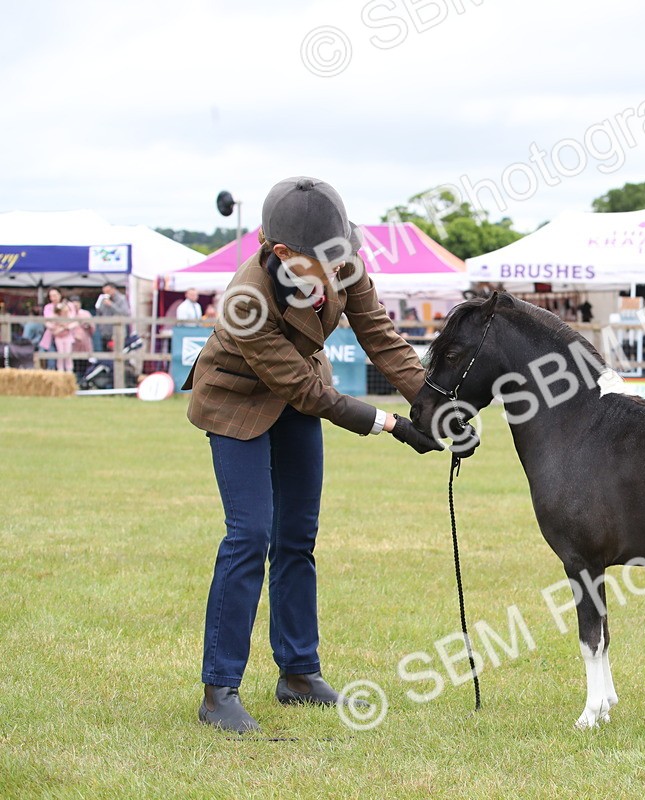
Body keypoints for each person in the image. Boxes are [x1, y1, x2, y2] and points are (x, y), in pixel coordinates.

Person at [184, 176, 474, 733]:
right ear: (283, 253)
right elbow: (307, 392)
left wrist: (435, 406)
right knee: (250, 535)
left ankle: (298, 674)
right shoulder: (247, 299)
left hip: (297, 395)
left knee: (298, 536)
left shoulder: (343, 260)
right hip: (237, 402)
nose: (343, 263)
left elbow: (381, 337)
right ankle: (218, 691)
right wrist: (390, 424)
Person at [94, 281, 130, 351]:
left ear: (114, 289)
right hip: (105, 331)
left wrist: (111, 305)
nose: (106, 293)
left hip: (117, 332)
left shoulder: (121, 299)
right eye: (105, 292)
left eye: (108, 291)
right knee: (106, 353)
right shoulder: (103, 299)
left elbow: (125, 313)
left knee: (117, 351)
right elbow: (100, 313)